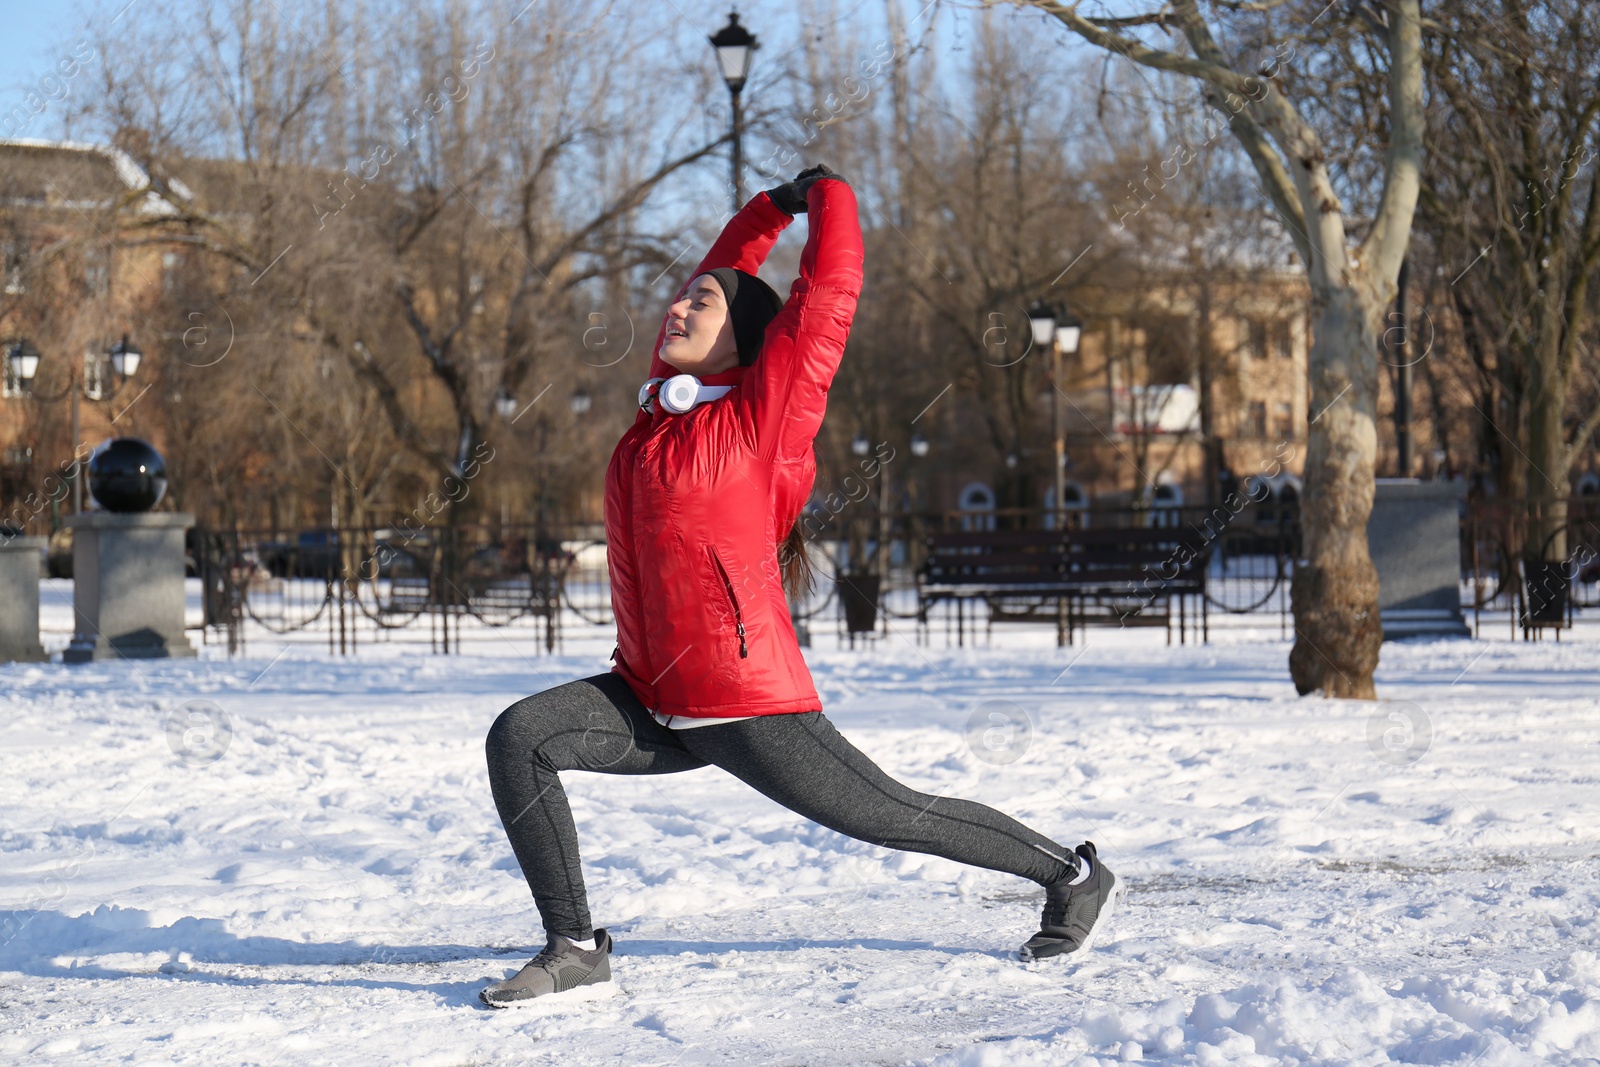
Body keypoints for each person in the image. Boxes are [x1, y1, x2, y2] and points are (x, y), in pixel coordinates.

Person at [480, 166, 1119, 1007]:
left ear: (745, 340)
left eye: (699, 307)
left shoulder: (763, 417)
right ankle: (572, 944)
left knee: (893, 813)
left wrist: (827, 197)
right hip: (649, 696)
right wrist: (764, 211)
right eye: (679, 299)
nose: (677, 309)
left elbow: (824, 296)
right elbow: (726, 276)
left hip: (748, 704)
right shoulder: (655, 423)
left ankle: (1072, 874)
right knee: (520, 735)